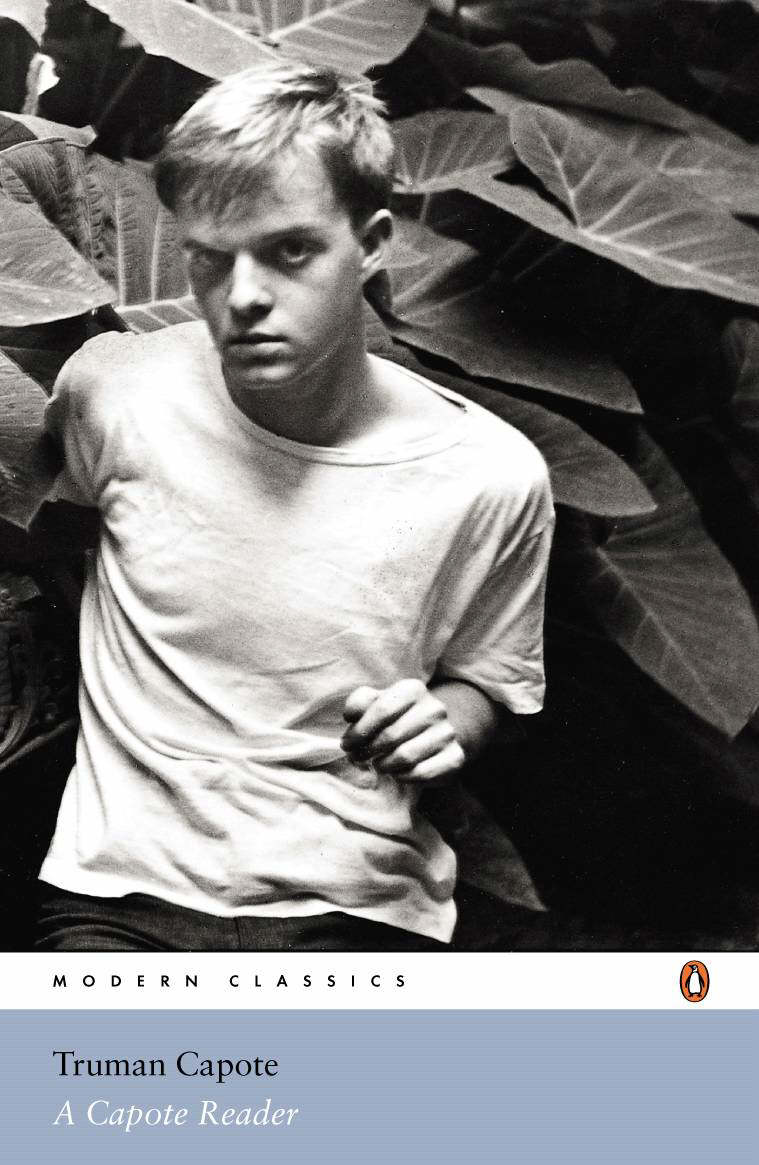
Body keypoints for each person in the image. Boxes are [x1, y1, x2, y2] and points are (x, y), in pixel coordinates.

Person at [36, 61, 554, 952]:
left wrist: (446, 720)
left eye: (289, 251)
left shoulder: (489, 475)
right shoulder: (114, 393)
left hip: (357, 900)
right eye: (209, 258)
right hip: (118, 895)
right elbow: (51, 538)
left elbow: (487, 680)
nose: (241, 297)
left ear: (373, 241)